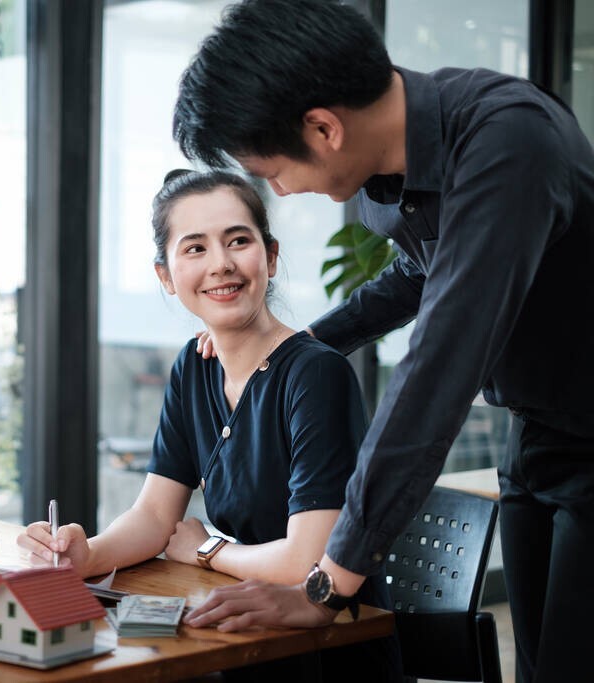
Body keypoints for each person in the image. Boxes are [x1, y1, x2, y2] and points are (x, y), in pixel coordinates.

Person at [172, 2, 594, 682]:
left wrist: (325, 587)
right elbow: (417, 274)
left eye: (273, 170)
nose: (279, 188)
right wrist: (299, 346)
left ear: (323, 128)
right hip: (539, 427)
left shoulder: (508, 143)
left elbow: (438, 371)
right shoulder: (386, 167)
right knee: (540, 666)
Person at [18, 169, 400, 681]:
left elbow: (306, 560)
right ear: (167, 276)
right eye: (194, 248)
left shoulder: (316, 374)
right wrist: (87, 554)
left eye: (238, 241)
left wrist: (207, 549)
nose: (221, 264)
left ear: (270, 255)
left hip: (327, 648)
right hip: (246, 633)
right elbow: (155, 514)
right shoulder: (194, 367)